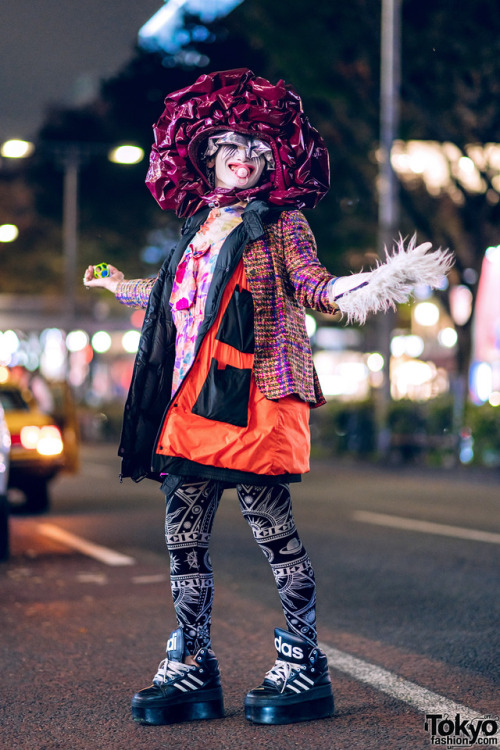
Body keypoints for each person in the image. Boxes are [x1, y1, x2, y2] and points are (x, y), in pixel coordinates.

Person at [84, 68, 452, 726]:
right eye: (230, 145)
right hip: (191, 401)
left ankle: (302, 660)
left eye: (257, 148)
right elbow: (171, 300)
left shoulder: (282, 223)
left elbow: (312, 285)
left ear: (272, 158)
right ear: (202, 153)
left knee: (271, 528)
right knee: (183, 536)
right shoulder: (198, 229)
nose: (244, 158)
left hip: (253, 397)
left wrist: (366, 285)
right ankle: (192, 666)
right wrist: (120, 285)